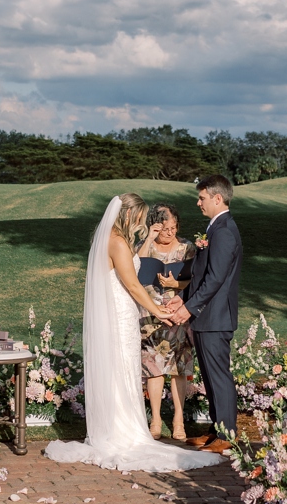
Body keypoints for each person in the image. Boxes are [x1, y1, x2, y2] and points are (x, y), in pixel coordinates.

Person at [45, 195, 223, 472]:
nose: (141, 223)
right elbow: (134, 286)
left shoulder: (114, 240)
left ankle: (118, 426)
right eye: (139, 218)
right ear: (128, 215)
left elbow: (132, 272)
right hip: (120, 314)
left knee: (123, 369)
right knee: (121, 369)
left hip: (122, 313)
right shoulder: (116, 241)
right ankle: (120, 432)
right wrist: (158, 310)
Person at [173, 175, 244, 454]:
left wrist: (188, 309)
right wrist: (181, 300)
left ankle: (228, 436)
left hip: (215, 318)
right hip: (206, 317)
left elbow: (215, 279)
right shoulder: (214, 229)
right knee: (211, 377)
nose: (198, 202)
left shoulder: (224, 231)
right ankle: (217, 430)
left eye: (202, 197)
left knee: (219, 376)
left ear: (217, 198)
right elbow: (201, 276)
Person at [137, 203, 196, 441]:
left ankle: (179, 420)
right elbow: (135, 269)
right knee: (154, 369)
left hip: (179, 312)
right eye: (165, 229)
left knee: (179, 369)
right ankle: (156, 420)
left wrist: (176, 285)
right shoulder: (146, 246)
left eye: (173, 228)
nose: (170, 233)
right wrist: (149, 238)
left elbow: (197, 281)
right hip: (151, 314)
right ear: (156, 226)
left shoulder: (187, 248)